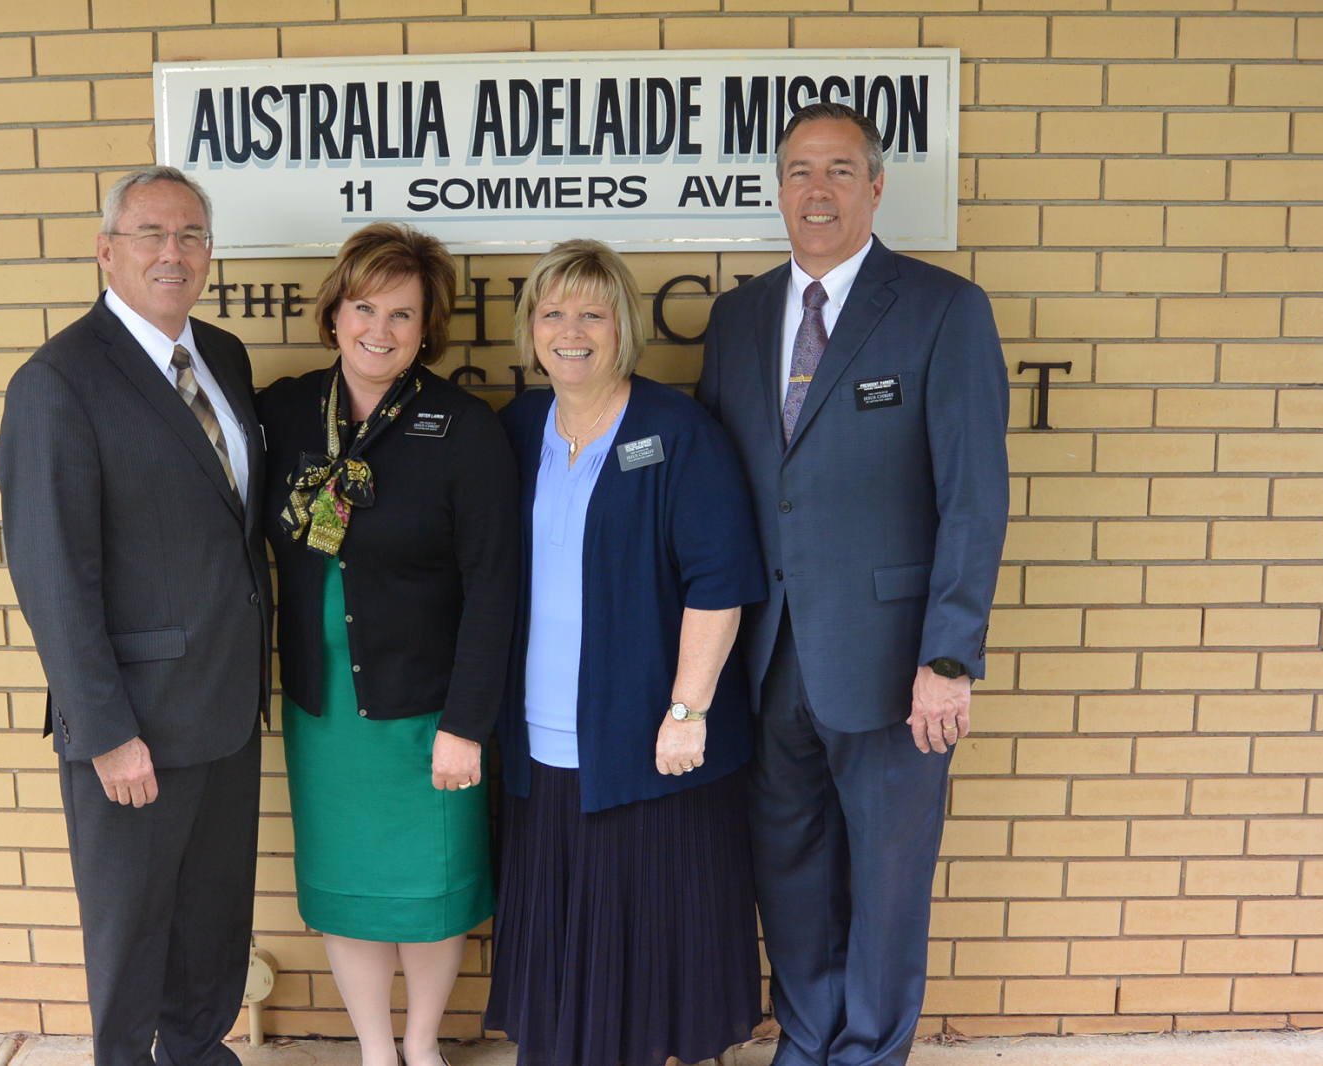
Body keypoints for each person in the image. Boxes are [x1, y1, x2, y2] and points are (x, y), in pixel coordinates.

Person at [697, 103, 1010, 1066]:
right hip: (767, 655)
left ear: (876, 186)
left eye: (840, 169)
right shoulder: (739, 317)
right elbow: (720, 492)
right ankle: (809, 1036)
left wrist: (948, 658)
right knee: (788, 867)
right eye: (799, 170)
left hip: (892, 660)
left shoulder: (943, 309)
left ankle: (869, 1049)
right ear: (777, 189)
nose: (818, 190)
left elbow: (973, 499)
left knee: (886, 876)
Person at [0, 166, 270, 1066]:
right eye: (150, 233)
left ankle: (197, 1052)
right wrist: (107, 732)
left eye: (191, 235)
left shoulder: (222, 356)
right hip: (134, 725)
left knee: (213, 920)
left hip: (226, 709)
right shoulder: (58, 380)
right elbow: (51, 577)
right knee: (131, 932)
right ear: (106, 250)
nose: (172, 252)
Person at [484, 240, 768, 1066]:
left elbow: (719, 582)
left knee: (647, 946)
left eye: (592, 314)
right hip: (542, 742)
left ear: (624, 328)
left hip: (649, 744)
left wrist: (687, 710)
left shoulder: (676, 432)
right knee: (566, 943)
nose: (570, 332)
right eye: (552, 313)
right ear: (530, 329)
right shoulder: (518, 429)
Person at [255, 223, 518, 1066]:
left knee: (431, 892)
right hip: (324, 707)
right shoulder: (285, 411)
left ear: (426, 328)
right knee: (349, 891)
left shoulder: (464, 427)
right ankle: (375, 1050)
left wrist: (466, 723)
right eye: (364, 307)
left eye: (402, 314)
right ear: (334, 313)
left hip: (427, 708)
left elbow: (495, 588)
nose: (380, 329)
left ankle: (422, 1044)